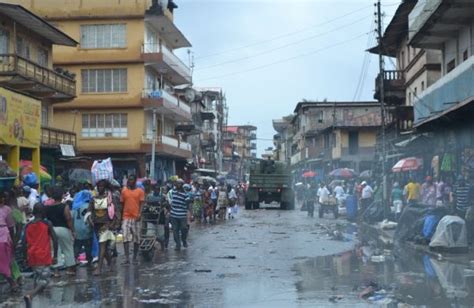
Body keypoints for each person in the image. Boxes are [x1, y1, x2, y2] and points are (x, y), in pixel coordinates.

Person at [22, 203, 58, 305]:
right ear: (44, 212)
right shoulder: (47, 224)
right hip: (43, 256)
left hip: (32, 257)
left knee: (37, 279)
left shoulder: (28, 225)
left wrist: (25, 257)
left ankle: (35, 303)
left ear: (33, 212)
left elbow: (24, 243)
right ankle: (30, 295)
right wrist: (55, 256)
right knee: (44, 281)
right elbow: (55, 240)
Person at [44, 186, 76, 276]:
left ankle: (56, 271)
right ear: (61, 196)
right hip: (64, 229)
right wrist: (73, 231)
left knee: (55, 250)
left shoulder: (47, 207)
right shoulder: (64, 206)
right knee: (68, 248)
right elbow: (68, 219)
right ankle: (70, 269)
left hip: (52, 230)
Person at [89, 180, 116, 275]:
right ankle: (110, 264)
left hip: (106, 225)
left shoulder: (109, 199)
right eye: (99, 186)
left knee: (102, 246)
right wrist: (90, 220)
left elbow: (114, 212)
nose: (100, 188)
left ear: (105, 188)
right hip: (96, 224)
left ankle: (99, 269)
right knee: (103, 249)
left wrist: (111, 224)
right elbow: (89, 211)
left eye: (102, 186)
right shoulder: (93, 199)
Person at [120, 175, 145, 265]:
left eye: (131, 180)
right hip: (126, 216)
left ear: (135, 181)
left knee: (136, 238)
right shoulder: (124, 191)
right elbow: (122, 204)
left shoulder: (140, 191)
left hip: (136, 217)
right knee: (125, 237)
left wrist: (140, 214)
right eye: (129, 180)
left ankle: (134, 257)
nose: (130, 181)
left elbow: (142, 203)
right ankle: (127, 257)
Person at [0, 190, 18, 292]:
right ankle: (13, 282)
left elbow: (11, 226)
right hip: (4, 237)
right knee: (5, 261)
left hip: (3, 238)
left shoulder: (7, 209)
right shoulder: (7, 209)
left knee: (3, 262)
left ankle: (12, 281)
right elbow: (11, 227)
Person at [72, 190, 93, 268]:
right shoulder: (89, 205)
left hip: (77, 229)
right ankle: (89, 261)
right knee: (88, 246)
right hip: (87, 228)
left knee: (77, 246)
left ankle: (74, 260)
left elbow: (72, 218)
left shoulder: (76, 206)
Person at [170, 179, 189, 251]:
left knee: (184, 228)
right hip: (173, 214)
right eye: (176, 183)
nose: (177, 185)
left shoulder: (185, 193)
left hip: (182, 215)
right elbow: (169, 200)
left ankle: (184, 240)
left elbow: (188, 203)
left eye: (179, 184)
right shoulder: (173, 192)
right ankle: (178, 244)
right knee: (175, 230)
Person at [145, 183, 165, 250]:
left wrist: (164, 204)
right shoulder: (149, 196)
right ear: (153, 189)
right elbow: (146, 206)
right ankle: (151, 248)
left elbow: (167, 205)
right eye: (155, 189)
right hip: (151, 219)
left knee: (160, 236)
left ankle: (162, 246)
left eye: (158, 189)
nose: (157, 190)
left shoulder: (163, 197)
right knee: (150, 235)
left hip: (160, 220)